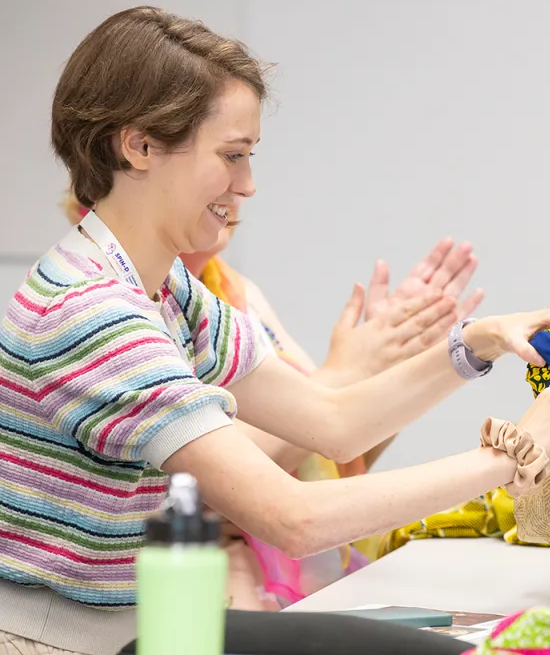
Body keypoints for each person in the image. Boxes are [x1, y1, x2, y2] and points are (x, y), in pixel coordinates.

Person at [0, 5, 550, 655]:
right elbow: (292, 518)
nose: (248, 184)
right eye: (232, 156)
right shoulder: (93, 312)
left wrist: (480, 342)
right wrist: (516, 451)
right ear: (140, 145)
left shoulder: (161, 288)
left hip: (137, 630)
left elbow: (333, 418)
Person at [60, 193, 485, 610]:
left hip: (285, 579)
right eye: (225, 155)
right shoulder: (103, 305)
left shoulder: (237, 296)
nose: (243, 185)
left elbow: (327, 447)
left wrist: (389, 374)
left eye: (245, 156)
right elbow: (216, 484)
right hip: (188, 586)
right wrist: (345, 374)